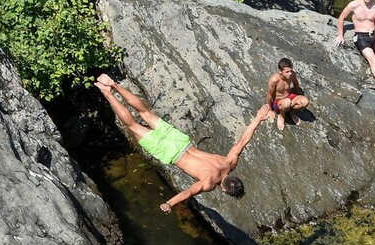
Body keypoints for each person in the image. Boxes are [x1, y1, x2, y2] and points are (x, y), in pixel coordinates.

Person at [95, 74, 269, 212]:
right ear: (224, 190)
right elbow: (188, 192)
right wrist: (169, 203)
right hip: (170, 152)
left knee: (146, 113)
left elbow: (242, 141)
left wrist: (258, 118)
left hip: (181, 141)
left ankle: (114, 85)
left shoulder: (230, 162)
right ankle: (107, 92)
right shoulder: (209, 182)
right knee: (133, 125)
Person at [266, 58, 310, 131]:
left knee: (305, 102)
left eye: (291, 71)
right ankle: (282, 115)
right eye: (287, 72)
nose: (290, 73)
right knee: (287, 102)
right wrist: (269, 110)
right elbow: (269, 95)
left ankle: (292, 112)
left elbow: (296, 85)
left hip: (289, 96)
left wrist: (298, 97)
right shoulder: (274, 80)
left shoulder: (292, 75)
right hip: (279, 102)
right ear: (280, 72)